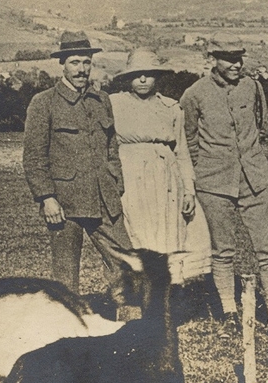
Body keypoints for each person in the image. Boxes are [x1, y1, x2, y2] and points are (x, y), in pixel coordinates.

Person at [181, 39, 268, 340]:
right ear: (213, 59)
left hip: (255, 178)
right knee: (222, 251)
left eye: (239, 59)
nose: (235, 65)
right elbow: (188, 138)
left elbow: (260, 126)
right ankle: (229, 314)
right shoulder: (194, 94)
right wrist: (206, 167)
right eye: (228, 59)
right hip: (214, 182)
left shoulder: (253, 88)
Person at [23, 30, 134, 318]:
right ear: (62, 64)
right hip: (65, 203)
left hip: (103, 198)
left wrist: (115, 182)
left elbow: (112, 147)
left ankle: (130, 325)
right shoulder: (43, 102)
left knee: (126, 262)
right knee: (65, 273)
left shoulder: (102, 100)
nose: (81, 69)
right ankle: (67, 328)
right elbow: (34, 156)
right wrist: (47, 198)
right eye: (74, 62)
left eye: (86, 62)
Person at [110, 48, 211, 284]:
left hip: (166, 182)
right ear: (128, 78)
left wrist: (188, 189)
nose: (143, 80)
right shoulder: (114, 105)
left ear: (158, 76)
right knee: (139, 237)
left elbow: (182, 152)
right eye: (137, 75)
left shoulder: (171, 108)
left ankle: (170, 296)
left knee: (168, 235)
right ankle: (140, 298)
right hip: (131, 181)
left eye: (149, 74)